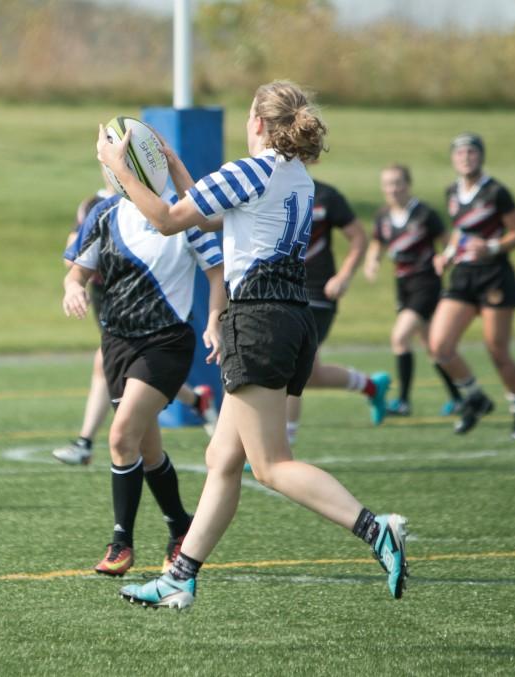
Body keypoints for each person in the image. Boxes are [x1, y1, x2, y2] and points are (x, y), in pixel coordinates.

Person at [98, 81, 408, 610]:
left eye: (247, 116)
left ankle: (376, 529)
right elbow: (218, 214)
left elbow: (170, 221)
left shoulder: (252, 169)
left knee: (270, 465)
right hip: (293, 318)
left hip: (259, 319)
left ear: (259, 124)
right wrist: (172, 166)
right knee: (223, 457)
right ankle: (180, 577)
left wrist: (120, 168)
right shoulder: (297, 178)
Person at [62, 156, 226, 576]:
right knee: (147, 448)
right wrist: (73, 288)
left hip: (166, 343)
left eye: (114, 166)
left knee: (120, 438)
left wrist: (213, 321)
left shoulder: (181, 213)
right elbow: (76, 270)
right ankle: (181, 527)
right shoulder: (104, 213)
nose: (108, 175)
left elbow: (216, 271)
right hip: (117, 343)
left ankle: (121, 543)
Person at [53, 180, 218, 466]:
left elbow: (214, 265)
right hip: (110, 300)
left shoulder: (164, 207)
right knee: (131, 377)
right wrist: (81, 273)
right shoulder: (96, 206)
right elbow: (73, 259)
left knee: (118, 369)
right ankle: (196, 401)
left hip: (153, 311)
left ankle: (85, 441)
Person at [284, 175, 389, 445]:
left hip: (319, 294)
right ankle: (372, 386)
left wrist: (343, 276)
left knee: (291, 367)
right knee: (311, 374)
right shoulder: (271, 190)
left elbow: (357, 237)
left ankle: (281, 446)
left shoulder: (326, 196)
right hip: (282, 291)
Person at [429, 133, 515, 437]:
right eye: (460, 153)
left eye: (471, 152)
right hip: (464, 276)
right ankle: (476, 396)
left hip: (495, 276)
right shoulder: (452, 192)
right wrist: (447, 255)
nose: (466, 157)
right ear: (453, 159)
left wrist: (493, 247)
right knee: (439, 346)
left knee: (497, 350)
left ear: (480, 156)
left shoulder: (496, 192)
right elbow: (460, 232)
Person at [364, 163, 459, 416]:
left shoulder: (425, 213)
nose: (392, 189)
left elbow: (450, 243)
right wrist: (372, 261)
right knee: (432, 347)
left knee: (400, 337)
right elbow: (377, 243)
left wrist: (445, 258)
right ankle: (460, 397)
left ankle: (403, 402)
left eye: (397, 182)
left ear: (408, 184)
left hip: (426, 284)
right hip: (403, 286)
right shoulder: (383, 217)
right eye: (387, 184)